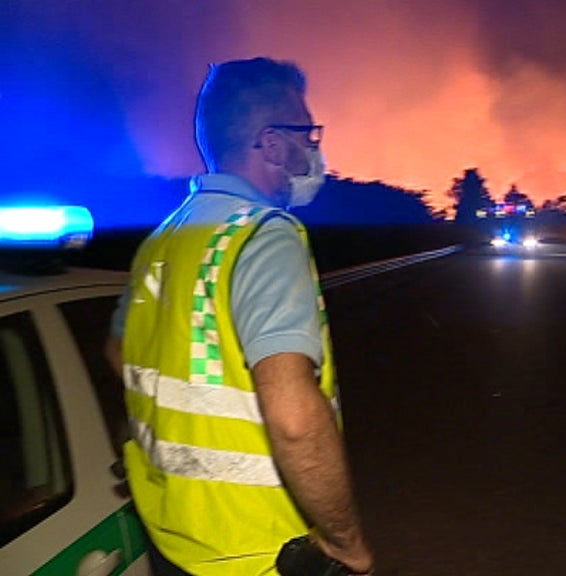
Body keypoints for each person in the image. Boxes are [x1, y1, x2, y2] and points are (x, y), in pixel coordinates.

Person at [106, 57, 373, 575]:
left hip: (173, 537)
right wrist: (346, 541)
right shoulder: (262, 235)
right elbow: (294, 419)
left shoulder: (164, 238)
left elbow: (122, 354)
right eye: (307, 133)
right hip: (259, 552)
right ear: (272, 143)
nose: (314, 147)